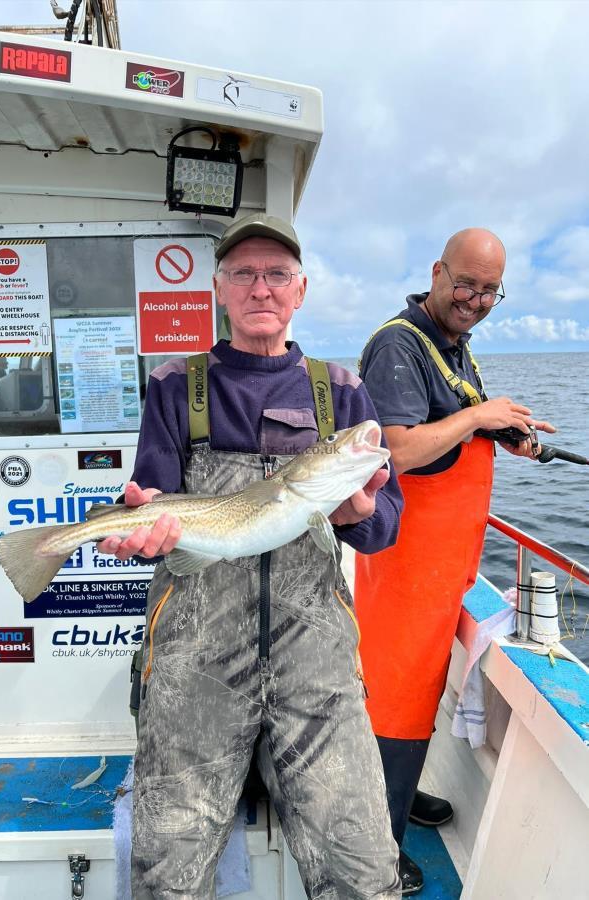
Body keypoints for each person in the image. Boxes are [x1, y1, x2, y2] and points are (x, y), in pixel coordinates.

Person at [98, 213, 403, 899]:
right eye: (243, 274)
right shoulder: (177, 385)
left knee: (363, 868)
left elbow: (384, 525)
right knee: (167, 870)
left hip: (315, 663)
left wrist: (358, 510)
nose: (259, 288)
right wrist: (141, 526)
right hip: (195, 661)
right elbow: (154, 501)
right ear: (219, 290)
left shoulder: (341, 392)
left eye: (275, 275)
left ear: (301, 291)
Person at [355, 228, 555, 895]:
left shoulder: (451, 348)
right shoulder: (398, 344)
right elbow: (401, 449)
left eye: (489, 290)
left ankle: (401, 798)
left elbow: (453, 420)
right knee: (392, 696)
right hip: (404, 563)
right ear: (436, 272)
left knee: (418, 694)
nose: (474, 299)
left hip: (444, 566)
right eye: (464, 283)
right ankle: (374, 847)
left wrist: (503, 429)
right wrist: (478, 420)